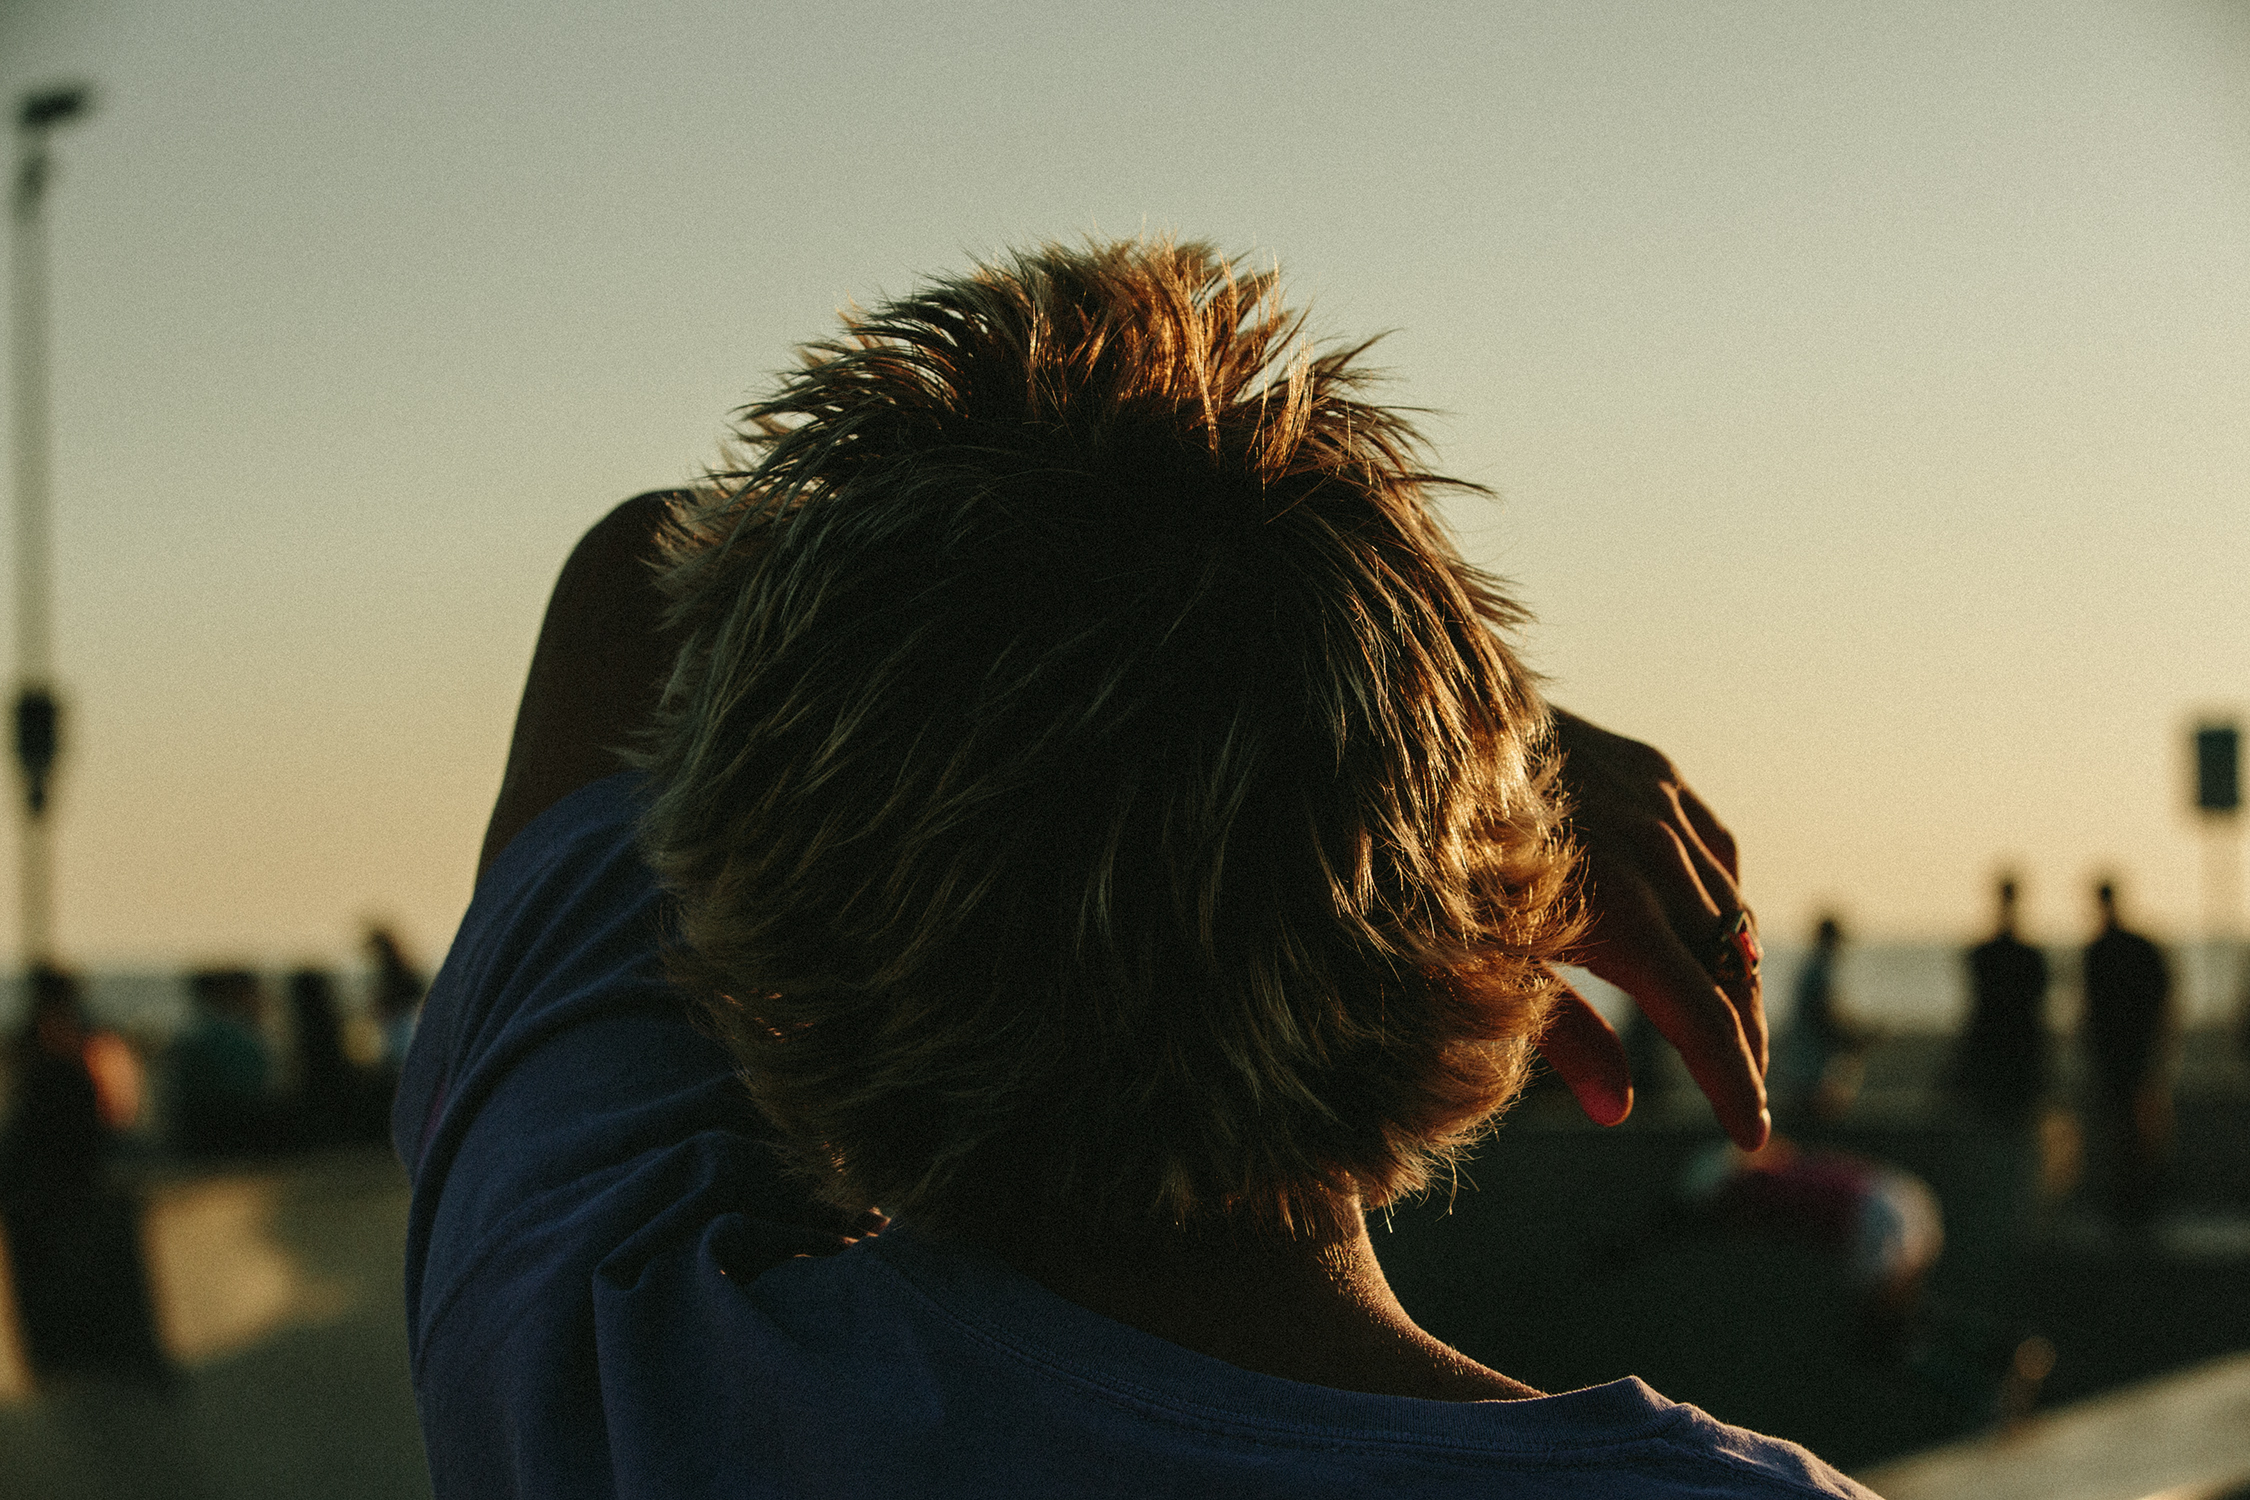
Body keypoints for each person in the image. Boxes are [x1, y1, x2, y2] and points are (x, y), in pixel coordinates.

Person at [397, 241, 1867, 1496]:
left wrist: (1456, 749)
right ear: (1497, 908)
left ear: (751, 930)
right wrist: (1415, 749)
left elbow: (633, 577)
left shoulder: (623, 1392)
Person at [0, 967, 170, 1384]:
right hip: (77, 1194)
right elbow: (117, 1116)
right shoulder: (90, 1053)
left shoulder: (41, 1058)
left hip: (47, 1201)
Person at [2081, 878, 2171, 1228]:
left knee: (2121, 1130)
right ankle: (2141, 1201)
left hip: (2116, 1055)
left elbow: (2090, 1009)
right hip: (2133, 1052)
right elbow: (2164, 999)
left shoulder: (2100, 951)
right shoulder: (2137, 947)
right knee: (2139, 1130)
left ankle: (2127, 1203)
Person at [1954, 876, 2050, 1124]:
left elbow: (1975, 1007)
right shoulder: (2029, 956)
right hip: (2019, 1047)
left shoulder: (1984, 955)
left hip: (1992, 1047)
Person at [1776, 915, 1868, 1125]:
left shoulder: (1812, 968)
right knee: (1814, 1128)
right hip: (1811, 1070)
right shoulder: (1818, 970)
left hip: (1805, 1066)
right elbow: (1823, 1017)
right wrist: (1853, 1039)